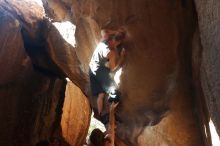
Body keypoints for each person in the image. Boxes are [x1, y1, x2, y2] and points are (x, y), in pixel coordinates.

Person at [89, 29, 126, 121]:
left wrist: (115, 32)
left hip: (91, 68)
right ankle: (111, 113)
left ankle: (101, 114)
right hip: (100, 71)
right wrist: (122, 58)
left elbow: (103, 30)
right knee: (115, 92)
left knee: (101, 94)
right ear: (118, 42)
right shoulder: (111, 53)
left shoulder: (104, 40)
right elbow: (113, 69)